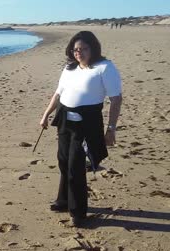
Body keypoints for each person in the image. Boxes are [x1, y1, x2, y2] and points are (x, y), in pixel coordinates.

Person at [39, 31, 123, 227]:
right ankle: (64, 200)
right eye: (76, 49)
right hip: (65, 120)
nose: (79, 53)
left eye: (84, 49)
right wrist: (45, 114)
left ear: (93, 48)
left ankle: (78, 213)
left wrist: (111, 128)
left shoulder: (104, 68)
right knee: (63, 161)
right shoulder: (69, 69)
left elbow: (116, 99)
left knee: (76, 166)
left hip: (86, 123)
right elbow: (58, 93)